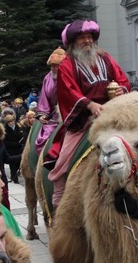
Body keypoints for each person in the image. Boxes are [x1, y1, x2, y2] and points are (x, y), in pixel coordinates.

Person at [48, 19, 131, 210]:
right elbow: (68, 91)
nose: (87, 40)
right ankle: (59, 206)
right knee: (62, 163)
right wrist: (89, 104)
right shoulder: (67, 64)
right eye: (82, 38)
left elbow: (122, 79)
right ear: (73, 42)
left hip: (112, 114)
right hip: (84, 119)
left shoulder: (106, 58)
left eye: (89, 37)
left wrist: (121, 90)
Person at [35, 47, 64, 152]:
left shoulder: (70, 76)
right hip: (52, 115)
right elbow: (44, 98)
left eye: (56, 66)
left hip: (68, 112)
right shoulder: (47, 78)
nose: (53, 68)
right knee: (44, 138)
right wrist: (43, 114)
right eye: (52, 66)